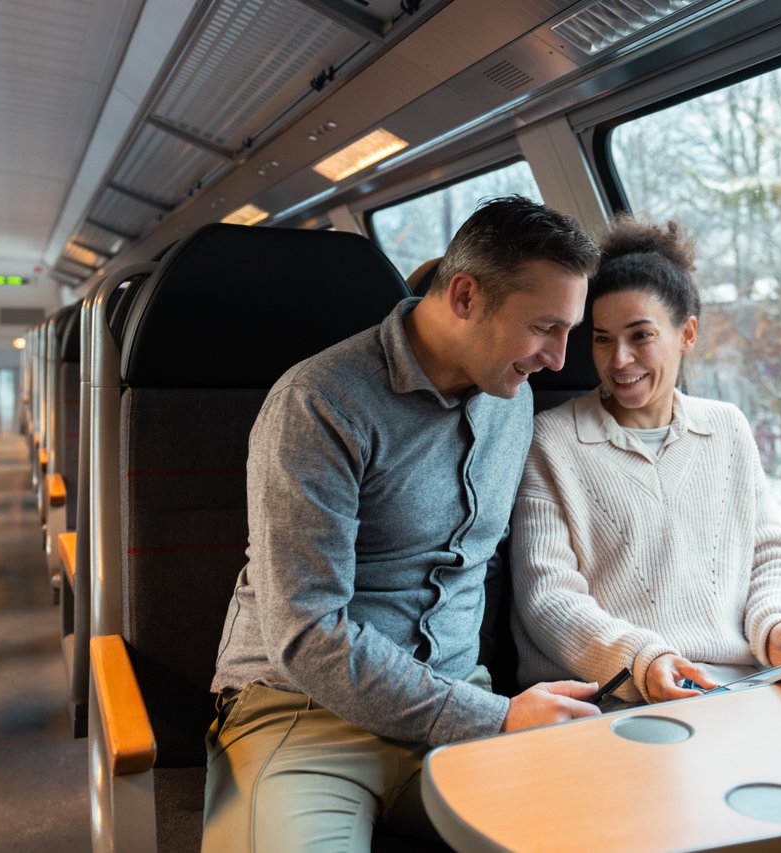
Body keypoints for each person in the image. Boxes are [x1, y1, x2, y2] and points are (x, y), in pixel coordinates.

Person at [201, 195, 603, 851]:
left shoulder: (514, 397)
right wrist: (496, 715)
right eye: (544, 327)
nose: (559, 358)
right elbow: (306, 633)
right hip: (301, 711)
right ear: (466, 296)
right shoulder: (319, 402)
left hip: (457, 705)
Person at [509, 214, 781, 706]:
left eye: (640, 336)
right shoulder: (552, 440)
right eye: (603, 338)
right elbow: (548, 596)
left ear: (687, 334)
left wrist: (777, 624)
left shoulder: (727, 427)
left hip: (739, 686)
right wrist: (644, 662)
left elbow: (769, 556)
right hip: (617, 694)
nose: (619, 359)